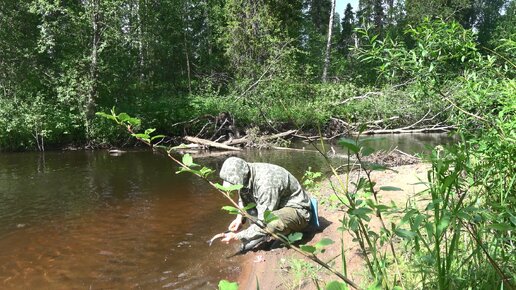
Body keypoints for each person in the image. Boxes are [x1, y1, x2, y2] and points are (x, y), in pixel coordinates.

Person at [218, 157, 312, 250]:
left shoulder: (266, 184)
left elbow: (265, 221)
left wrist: (237, 236)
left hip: (298, 211)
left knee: (271, 222)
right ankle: (259, 234)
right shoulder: (247, 172)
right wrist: (239, 218)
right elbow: (242, 194)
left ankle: (278, 233)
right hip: (278, 204)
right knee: (253, 210)